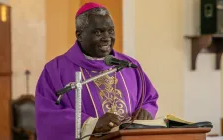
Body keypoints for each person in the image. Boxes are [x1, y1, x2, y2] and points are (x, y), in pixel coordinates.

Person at [35, 2, 159, 140]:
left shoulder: (129, 65)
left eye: (111, 31)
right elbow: (48, 116)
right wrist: (91, 124)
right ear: (79, 35)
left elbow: (149, 98)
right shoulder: (55, 70)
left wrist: (146, 111)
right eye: (98, 32)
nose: (106, 38)